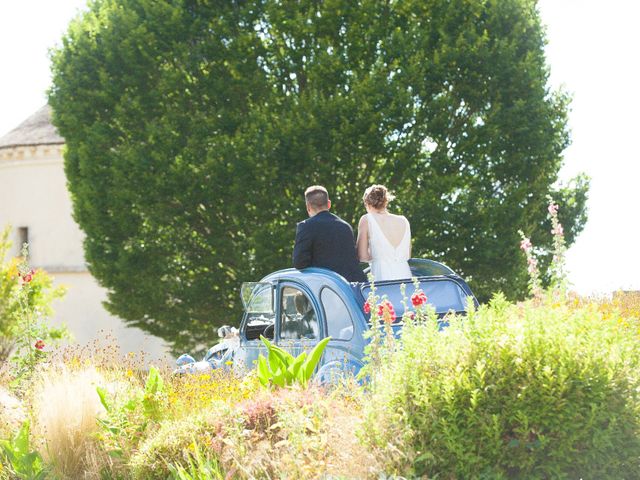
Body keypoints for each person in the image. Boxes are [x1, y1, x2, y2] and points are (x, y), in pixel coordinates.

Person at [293, 185, 367, 282]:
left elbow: (299, 263)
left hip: (326, 287)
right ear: (329, 204)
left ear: (308, 207)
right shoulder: (345, 226)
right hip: (353, 285)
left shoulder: (306, 226)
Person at [356, 184, 412, 281]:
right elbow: (408, 255)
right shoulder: (404, 221)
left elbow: (362, 256)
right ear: (386, 202)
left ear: (367, 204)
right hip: (405, 275)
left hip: (382, 276)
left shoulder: (367, 219)